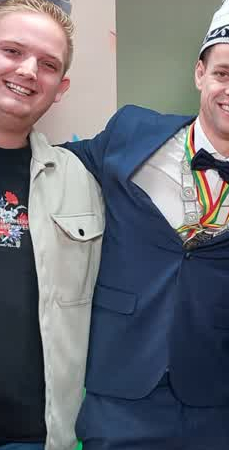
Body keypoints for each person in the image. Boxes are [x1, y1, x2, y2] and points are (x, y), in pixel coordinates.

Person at [61, 0, 229, 447]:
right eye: (222, 73)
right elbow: (53, 168)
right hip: (118, 387)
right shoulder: (132, 132)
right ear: (199, 74)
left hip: (217, 400)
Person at [0, 1, 102, 449]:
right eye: (12, 51)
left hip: (36, 436)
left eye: (47, 64)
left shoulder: (83, 182)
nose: (27, 71)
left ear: (60, 88)